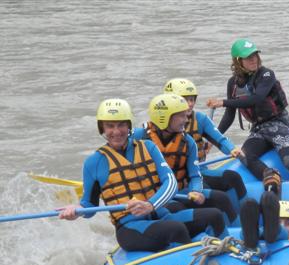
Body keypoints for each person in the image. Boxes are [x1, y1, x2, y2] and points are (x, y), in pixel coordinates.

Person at [58, 98, 191, 252]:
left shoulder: (148, 147)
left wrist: (150, 205)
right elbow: (89, 206)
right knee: (177, 229)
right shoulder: (94, 162)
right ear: (102, 128)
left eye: (121, 125)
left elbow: (171, 183)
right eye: (110, 126)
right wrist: (77, 210)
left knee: (211, 216)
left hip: (160, 215)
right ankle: (190, 262)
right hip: (129, 228)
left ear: (129, 126)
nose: (116, 132)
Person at [207, 38, 289, 181]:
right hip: (259, 130)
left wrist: (223, 102)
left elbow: (257, 98)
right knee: (244, 156)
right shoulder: (232, 83)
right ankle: (272, 178)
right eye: (248, 57)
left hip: (280, 126)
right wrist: (213, 140)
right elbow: (229, 116)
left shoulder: (267, 74)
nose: (253, 59)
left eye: (255, 55)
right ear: (238, 61)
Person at [133, 93, 233, 237]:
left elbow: (195, 176)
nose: (186, 120)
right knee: (177, 208)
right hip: (152, 199)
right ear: (165, 117)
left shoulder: (188, 142)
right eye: (181, 116)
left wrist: (196, 190)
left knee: (221, 198)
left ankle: (233, 234)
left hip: (180, 193)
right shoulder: (138, 137)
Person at [163, 78, 248, 208]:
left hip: (199, 170)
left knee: (233, 177)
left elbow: (219, 139)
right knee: (210, 193)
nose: (190, 104)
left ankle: (246, 212)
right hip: (178, 179)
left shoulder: (200, 119)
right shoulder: (158, 128)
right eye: (185, 100)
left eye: (192, 99)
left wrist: (232, 149)